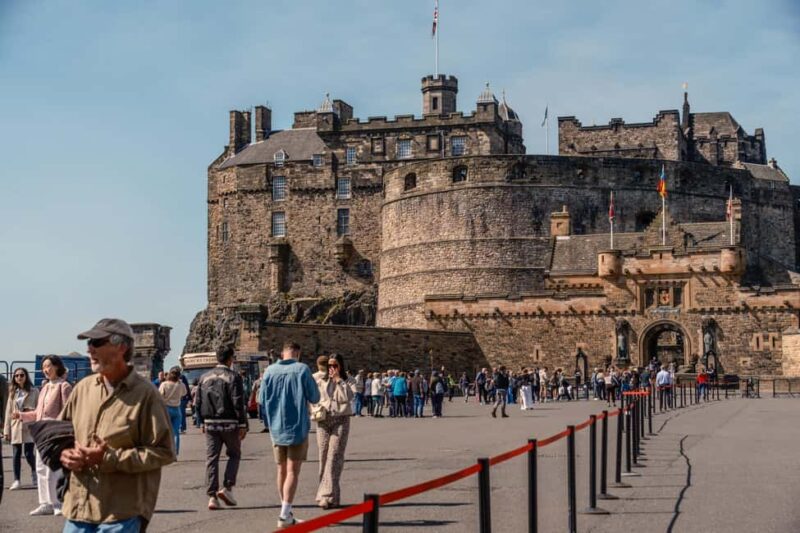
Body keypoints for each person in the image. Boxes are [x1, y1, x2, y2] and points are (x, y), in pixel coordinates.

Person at [60, 318, 175, 532]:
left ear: (121, 346)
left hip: (121, 513)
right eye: (88, 343)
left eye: (96, 343)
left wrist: (109, 458)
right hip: (78, 508)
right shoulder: (82, 389)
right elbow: (61, 436)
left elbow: (164, 452)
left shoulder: (146, 395)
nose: (89, 349)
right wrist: (65, 454)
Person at [260, 341, 320, 528]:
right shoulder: (302, 369)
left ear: (282, 353)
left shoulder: (269, 371)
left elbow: (261, 399)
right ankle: (285, 514)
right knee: (293, 471)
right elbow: (315, 397)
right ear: (298, 353)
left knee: (281, 470)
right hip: (297, 427)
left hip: (276, 428)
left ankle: (286, 511)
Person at [17, 355, 72, 516]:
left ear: (57, 367)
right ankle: (45, 503)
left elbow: (69, 411)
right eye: (43, 367)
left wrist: (58, 426)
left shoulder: (64, 386)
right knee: (40, 468)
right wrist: (21, 415)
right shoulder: (45, 387)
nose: (45, 370)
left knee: (52, 469)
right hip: (41, 433)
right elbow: (37, 413)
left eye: (48, 366)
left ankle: (57, 503)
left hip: (55, 433)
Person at [196, 345, 248, 510]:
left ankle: (212, 496)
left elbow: (197, 401)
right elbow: (238, 401)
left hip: (210, 423)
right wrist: (242, 424)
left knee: (212, 458)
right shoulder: (233, 377)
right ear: (230, 358)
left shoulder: (204, 377)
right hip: (230, 422)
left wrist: (200, 421)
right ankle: (227, 487)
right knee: (234, 454)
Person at [313, 353, 353, 509]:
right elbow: (311, 397)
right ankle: (332, 497)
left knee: (334, 455)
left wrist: (339, 381)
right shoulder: (319, 379)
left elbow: (348, 397)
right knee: (323, 455)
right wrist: (313, 409)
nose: (331, 368)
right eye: (329, 365)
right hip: (323, 419)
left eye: (335, 365)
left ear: (340, 366)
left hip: (341, 419)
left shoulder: (348, 380)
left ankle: (325, 495)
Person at [3, 367, 39, 490]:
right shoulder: (13, 392)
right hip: (16, 425)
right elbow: (8, 411)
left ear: (26, 376)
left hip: (29, 425)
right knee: (16, 454)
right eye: (17, 375)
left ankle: (35, 473)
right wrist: (6, 431)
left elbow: (39, 409)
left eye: (22, 375)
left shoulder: (34, 391)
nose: (19, 377)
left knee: (29, 454)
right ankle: (17, 480)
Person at [159, 366, 188, 456]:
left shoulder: (164, 384)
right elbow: (184, 393)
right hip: (177, 409)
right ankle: (175, 453)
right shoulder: (181, 384)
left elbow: (159, 395)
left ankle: (165, 451)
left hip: (166, 409)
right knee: (176, 433)